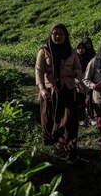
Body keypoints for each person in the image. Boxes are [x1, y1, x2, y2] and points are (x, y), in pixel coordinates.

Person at [35, 23, 82, 164]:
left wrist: (69, 72)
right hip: (51, 91)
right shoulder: (44, 51)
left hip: (68, 90)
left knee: (69, 120)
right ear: (50, 35)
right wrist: (42, 89)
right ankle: (57, 145)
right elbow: (38, 71)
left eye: (61, 34)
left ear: (65, 36)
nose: (57, 36)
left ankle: (70, 146)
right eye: (55, 33)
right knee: (52, 120)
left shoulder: (72, 52)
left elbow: (79, 71)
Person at [81, 36, 97, 125]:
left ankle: (91, 115)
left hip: (91, 78)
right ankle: (84, 115)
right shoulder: (80, 54)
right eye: (86, 43)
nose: (87, 45)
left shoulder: (93, 54)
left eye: (89, 43)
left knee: (89, 97)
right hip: (82, 77)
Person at [75, 41, 89, 125]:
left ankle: (87, 116)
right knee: (79, 99)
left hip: (86, 78)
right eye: (79, 48)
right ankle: (80, 117)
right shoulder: (74, 58)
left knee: (86, 98)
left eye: (83, 48)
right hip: (77, 79)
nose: (81, 50)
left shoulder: (88, 58)